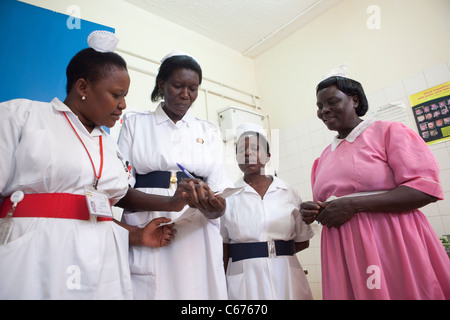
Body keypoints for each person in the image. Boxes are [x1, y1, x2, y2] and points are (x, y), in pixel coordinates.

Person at [0, 31, 204, 299]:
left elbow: (99, 211)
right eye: (116, 94)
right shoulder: (22, 116)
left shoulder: (108, 145)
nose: (123, 105)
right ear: (83, 87)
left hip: (104, 266)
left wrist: (141, 232)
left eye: (125, 95)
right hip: (37, 255)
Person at [300, 76, 450, 299]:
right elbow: (330, 209)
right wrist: (314, 211)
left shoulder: (389, 132)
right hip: (343, 251)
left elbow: (424, 190)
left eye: (332, 102)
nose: (324, 110)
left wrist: (353, 204)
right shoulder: (323, 158)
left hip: (391, 241)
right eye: (320, 106)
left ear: (355, 100)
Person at [117, 51, 232, 299]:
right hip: (150, 221)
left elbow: (221, 192)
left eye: (193, 88)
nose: (185, 94)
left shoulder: (208, 131)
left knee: (197, 291)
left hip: (196, 227)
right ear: (162, 85)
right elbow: (119, 191)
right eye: (178, 86)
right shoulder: (135, 124)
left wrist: (214, 209)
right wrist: (169, 202)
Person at [221, 123, 314, 300]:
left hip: (286, 274)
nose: (247, 153)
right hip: (245, 279)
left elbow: (303, 240)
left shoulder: (289, 193)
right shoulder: (228, 197)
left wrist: (275, 252)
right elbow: (223, 247)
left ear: (268, 156)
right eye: (241, 150)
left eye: (255, 148)